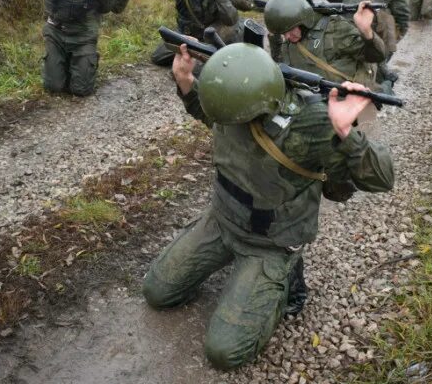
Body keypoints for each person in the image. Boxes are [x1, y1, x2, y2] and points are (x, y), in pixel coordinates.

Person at [142, 41, 395, 370]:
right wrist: (186, 82)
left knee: (223, 352)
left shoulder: (308, 125)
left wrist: (345, 131)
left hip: (270, 242)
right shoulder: (230, 104)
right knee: (157, 292)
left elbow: (382, 178)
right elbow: (210, 115)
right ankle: (240, 273)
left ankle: (284, 279)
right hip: (222, 220)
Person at [264, 0, 387, 88]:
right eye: (283, 34)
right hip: (315, 105)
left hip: (348, 101)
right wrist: (274, 41)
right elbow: (283, 71)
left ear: (303, 20)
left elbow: (377, 55)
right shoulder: (288, 43)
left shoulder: (333, 29)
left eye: (290, 30)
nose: (287, 37)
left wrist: (367, 32)